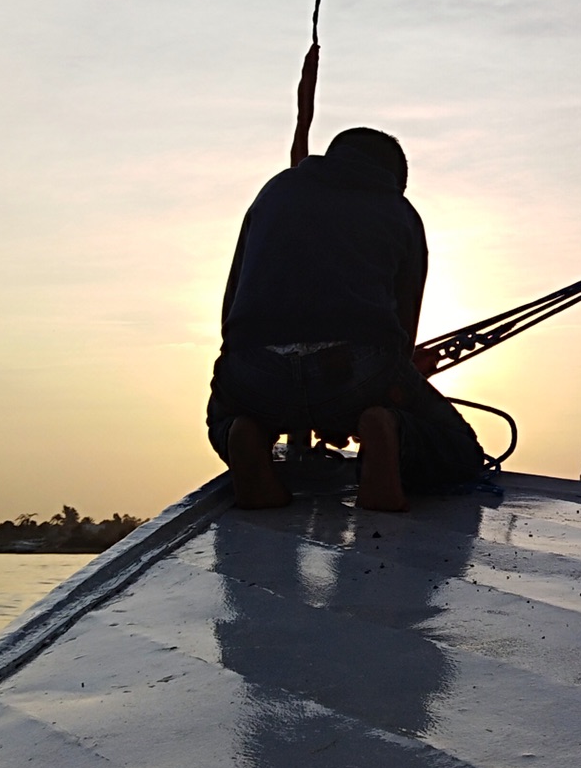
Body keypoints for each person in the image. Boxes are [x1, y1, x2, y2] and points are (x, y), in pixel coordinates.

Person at [206, 125, 484, 510]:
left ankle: (248, 433)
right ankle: (386, 431)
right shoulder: (400, 212)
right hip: (356, 372)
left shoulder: (274, 192)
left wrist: (245, 379)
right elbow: (403, 327)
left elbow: (233, 302)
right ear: (395, 178)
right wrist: (393, 382)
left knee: (224, 415)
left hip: (256, 373)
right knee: (459, 451)